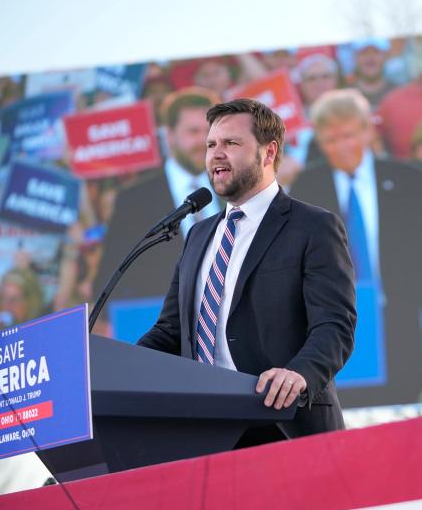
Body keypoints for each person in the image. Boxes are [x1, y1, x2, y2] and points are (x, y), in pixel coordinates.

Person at [138, 99, 356, 441]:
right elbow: (170, 332)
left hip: (282, 421)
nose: (215, 154)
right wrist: (117, 365)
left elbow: (334, 325)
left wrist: (299, 374)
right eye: (211, 145)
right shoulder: (198, 234)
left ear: (268, 153)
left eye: (231, 143)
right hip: (203, 432)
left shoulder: (313, 226)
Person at [290, 89, 422, 407]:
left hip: (398, 325)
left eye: (349, 135)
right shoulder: (308, 185)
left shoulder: (408, 180)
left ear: (367, 130)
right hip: (336, 331)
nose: (341, 147)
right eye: (331, 139)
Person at [95, 88, 221, 320]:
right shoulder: (134, 200)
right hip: (162, 333)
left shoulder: (236, 189)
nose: (204, 142)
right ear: (169, 135)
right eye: (193, 131)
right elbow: (109, 279)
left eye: (210, 132)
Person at [343, 39, 396, 109]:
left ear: (386, 56)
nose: (370, 58)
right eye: (364, 53)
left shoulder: (397, 94)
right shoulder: (344, 97)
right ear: (355, 57)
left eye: (376, 52)